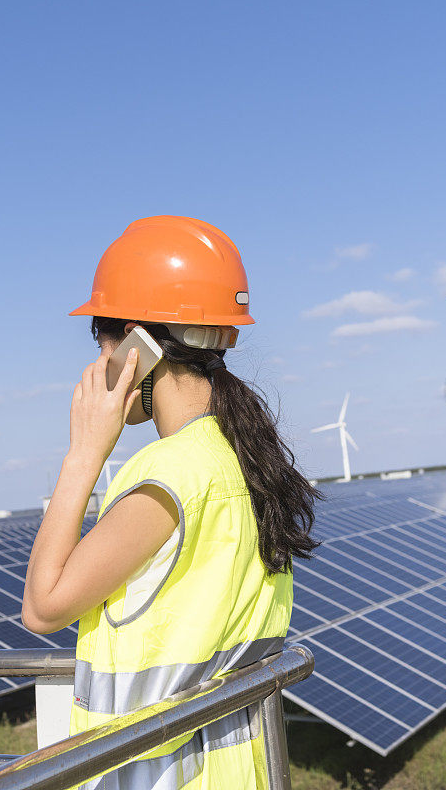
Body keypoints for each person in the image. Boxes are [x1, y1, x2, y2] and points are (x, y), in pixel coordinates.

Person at [22, 215, 321, 789]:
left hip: (159, 776)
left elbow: (42, 608)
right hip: (236, 770)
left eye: (101, 339)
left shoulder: (169, 472)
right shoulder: (239, 457)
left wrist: (84, 452)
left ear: (135, 345)